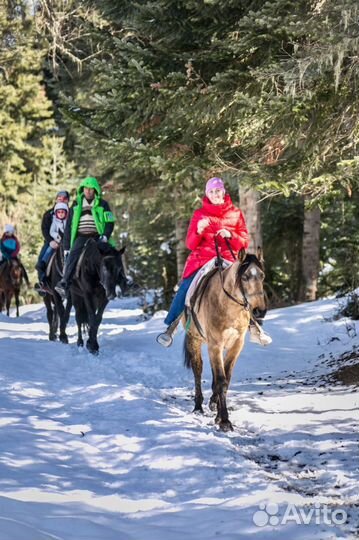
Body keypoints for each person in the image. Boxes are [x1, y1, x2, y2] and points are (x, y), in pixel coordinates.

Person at [156, 177, 272, 347]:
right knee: (187, 286)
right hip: (203, 260)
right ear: (207, 194)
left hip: (229, 260)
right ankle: (171, 327)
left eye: (218, 190)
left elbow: (245, 241)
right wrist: (199, 230)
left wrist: (230, 235)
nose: (215, 194)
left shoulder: (235, 213)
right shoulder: (199, 214)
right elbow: (190, 244)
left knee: (247, 285)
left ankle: (254, 327)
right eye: (211, 191)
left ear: (223, 192)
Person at [55, 176, 116, 297]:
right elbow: (68, 227)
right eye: (86, 189)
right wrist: (67, 247)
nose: (88, 191)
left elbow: (110, 222)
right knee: (73, 255)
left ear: (95, 191)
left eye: (91, 189)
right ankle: (65, 282)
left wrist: (105, 236)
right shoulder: (76, 204)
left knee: (113, 254)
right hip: (81, 236)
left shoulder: (103, 204)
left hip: (97, 236)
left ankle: (123, 281)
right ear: (82, 190)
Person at [34, 201, 69, 291]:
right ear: (56, 213)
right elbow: (51, 232)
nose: (61, 214)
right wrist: (56, 239)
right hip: (56, 242)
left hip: (67, 243)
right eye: (59, 212)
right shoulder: (54, 221)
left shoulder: (69, 221)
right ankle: (43, 264)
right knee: (49, 250)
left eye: (63, 212)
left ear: (66, 213)